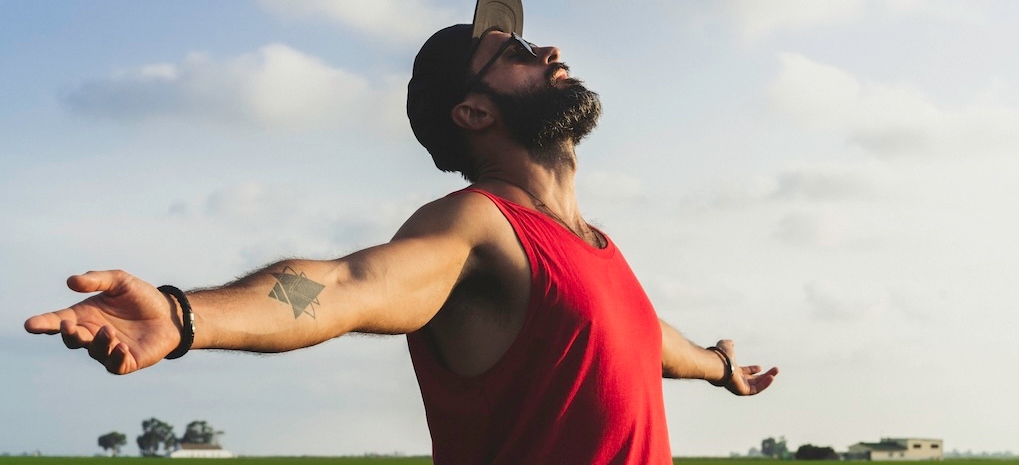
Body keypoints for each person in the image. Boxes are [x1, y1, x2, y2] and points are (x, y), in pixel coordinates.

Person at [25, 1, 778, 463]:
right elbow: (347, 284)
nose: (547, 51)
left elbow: (647, 339)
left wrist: (719, 365)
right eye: (512, 54)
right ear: (474, 112)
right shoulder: (478, 226)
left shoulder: (597, 248)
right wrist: (186, 314)